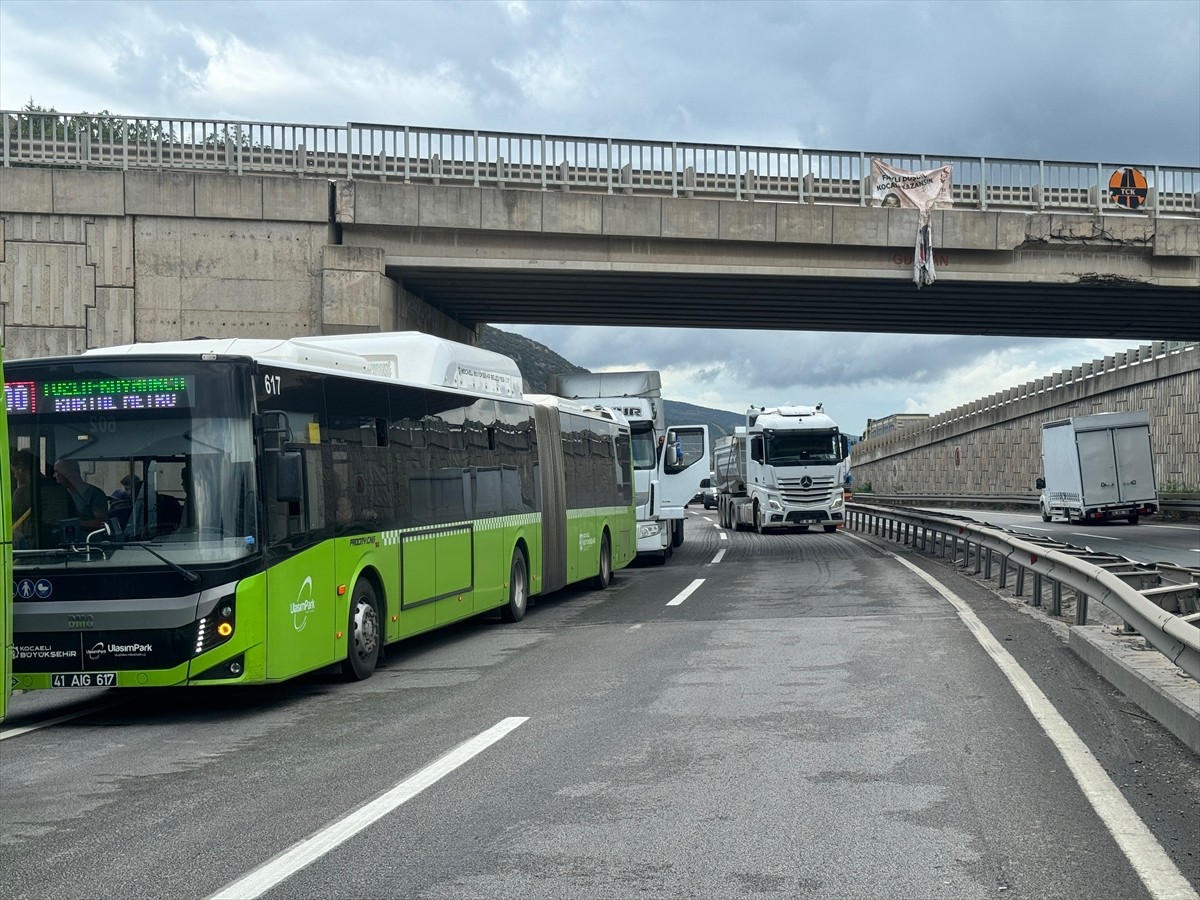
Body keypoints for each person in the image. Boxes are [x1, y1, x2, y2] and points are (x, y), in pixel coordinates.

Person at [52, 457, 109, 531]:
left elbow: (102, 523)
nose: (54, 475)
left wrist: (74, 523)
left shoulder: (94, 494)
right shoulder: (59, 494)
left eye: (57, 472)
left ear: (68, 473)